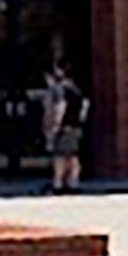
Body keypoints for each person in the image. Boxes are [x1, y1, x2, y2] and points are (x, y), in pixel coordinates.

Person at [42, 62, 89, 195]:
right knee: (73, 156)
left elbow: (60, 106)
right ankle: (73, 182)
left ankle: (58, 184)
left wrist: (55, 125)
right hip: (75, 127)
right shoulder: (75, 90)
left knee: (60, 157)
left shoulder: (58, 89)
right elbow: (85, 106)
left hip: (63, 127)